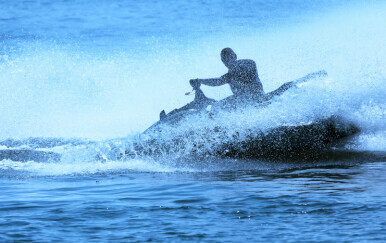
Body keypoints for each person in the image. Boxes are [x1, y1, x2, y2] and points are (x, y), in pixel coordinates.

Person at [190, 48, 265, 109]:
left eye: (230, 58)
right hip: (242, 100)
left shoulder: (249, 63)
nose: (228, 62)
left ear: (235, 56)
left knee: (216, 107)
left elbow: (219, 81)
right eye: (225, 60)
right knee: (215, 106)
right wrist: (200, 81)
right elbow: (218, 81)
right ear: (222, 61)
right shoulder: (229, 75)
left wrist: (200, 81)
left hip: (256, 97)